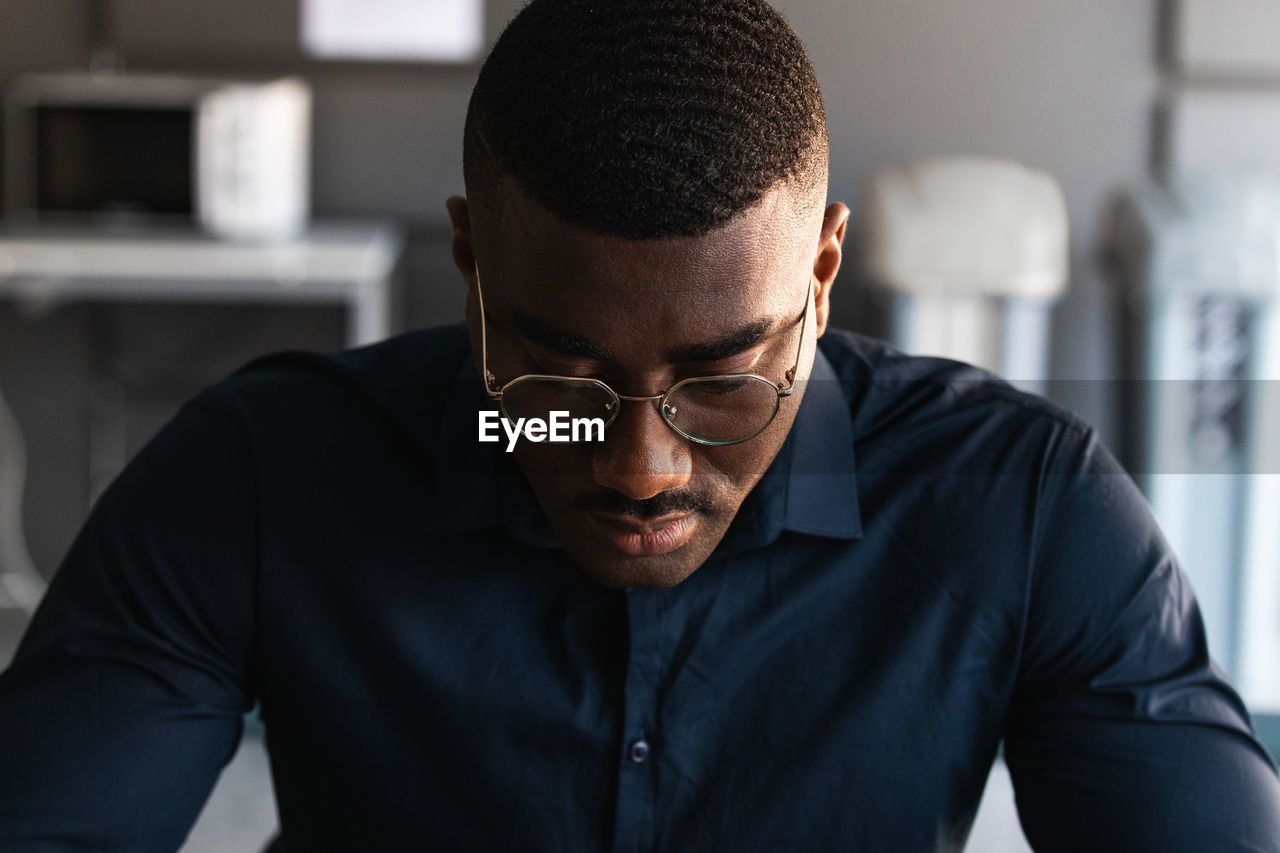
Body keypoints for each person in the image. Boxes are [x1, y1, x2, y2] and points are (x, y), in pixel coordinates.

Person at [3, 0, 1280, 849]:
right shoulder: (262, 479)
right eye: (562, 375)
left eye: (724, 378)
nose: (638, 467)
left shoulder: (1024, 507)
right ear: (469, 264)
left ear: (820, 278)